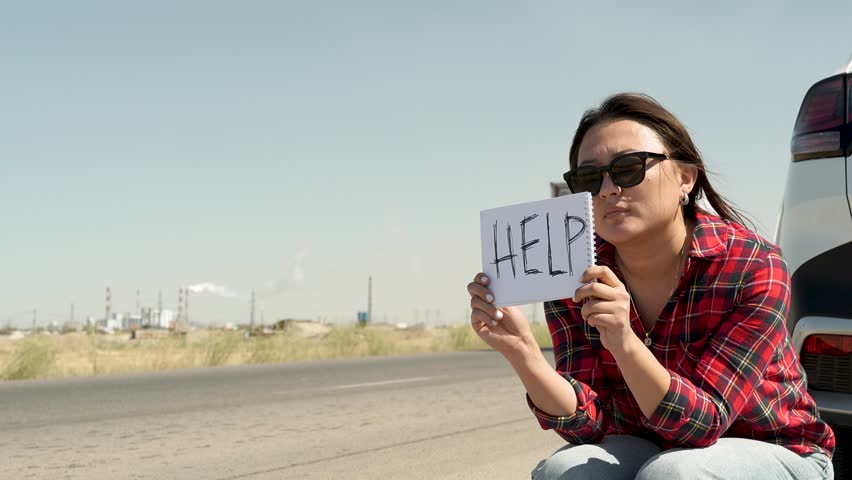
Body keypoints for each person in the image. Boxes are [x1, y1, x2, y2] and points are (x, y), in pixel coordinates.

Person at [466, 93, 835, 480]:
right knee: (565, 471)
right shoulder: (573, 271)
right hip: (645, 443)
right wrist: (523, 355)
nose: (608, 189)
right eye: (589, 178)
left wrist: (624, 341)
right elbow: (589, 424)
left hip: (772, 447)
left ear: (685, 179)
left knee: (674, 474)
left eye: (629, 168)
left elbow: (704, 423)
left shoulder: (752, 265)